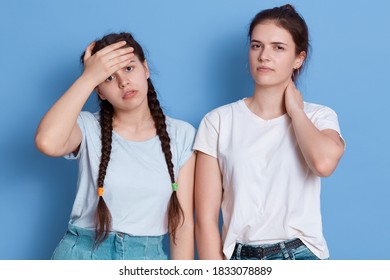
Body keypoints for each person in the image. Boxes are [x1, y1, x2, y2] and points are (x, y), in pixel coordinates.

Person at [194, 4, 345, 260]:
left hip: (301, 255)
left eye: (278, 47)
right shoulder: (218, 121)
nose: (264, 56)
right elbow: (205, 220)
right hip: (240, 259)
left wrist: (296, 111)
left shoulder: (319, 116)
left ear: (299, 58)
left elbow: (323, 164)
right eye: (256, 45)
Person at [35, 32, 196, 260]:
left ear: (145, 69)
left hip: (147, 259)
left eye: (129, 68)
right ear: (99, 91)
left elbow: (182, 223)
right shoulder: (87, 126)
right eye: (108, 78)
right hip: (82, 256)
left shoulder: (182, 134)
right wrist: (88, 77)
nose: (123, 82)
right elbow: (47, 142)